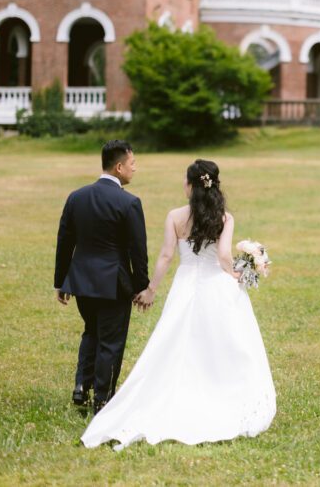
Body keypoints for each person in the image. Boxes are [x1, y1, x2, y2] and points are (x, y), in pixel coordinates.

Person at [81, 159, 276, 450]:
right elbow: (224, 256)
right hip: (217, 286)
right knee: (224, 342)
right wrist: (237, 273)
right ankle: (221, 390)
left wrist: (150, 289)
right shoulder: (224, 218)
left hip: (185, 286)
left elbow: (165, 257)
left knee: (175, 340)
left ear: (190, 186)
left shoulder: (175, 216)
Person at [54, 140, 152, 414]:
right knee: (111, 340)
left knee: (91, 332)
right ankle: (103, 398)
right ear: (119, 167)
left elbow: (65, 241)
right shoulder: (129, 202)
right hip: (113, 284)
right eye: (133, 164)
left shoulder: (77, 196)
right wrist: (141, 286)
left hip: (82, 281)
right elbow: (137, 251)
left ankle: (81, 387)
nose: (135, 169)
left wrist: (61, 280)